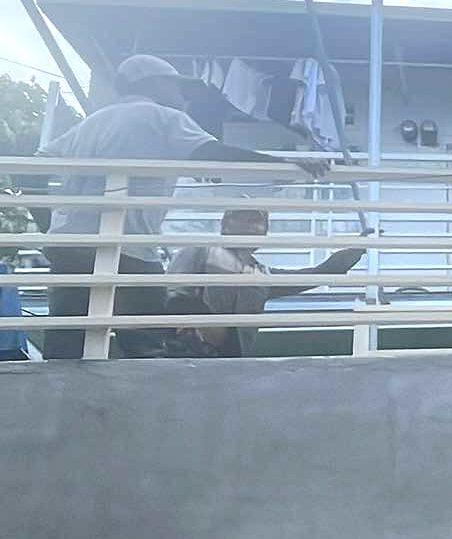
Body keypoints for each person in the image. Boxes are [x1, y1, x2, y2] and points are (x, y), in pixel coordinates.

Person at [42, 54, 328, 358]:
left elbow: (36, 166)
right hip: (130, 248)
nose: (182, 95)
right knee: (151, 341)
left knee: (65, 342)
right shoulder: (164, 117)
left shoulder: (92, 122)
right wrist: (283, 165)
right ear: (153, 83)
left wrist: (50, 224)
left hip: (70, 245)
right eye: (176, 85)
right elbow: (214, 152)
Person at [167, 209, 366, 356]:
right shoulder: (199, 251)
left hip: (228, 361)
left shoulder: (261, 275)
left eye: (255, 220)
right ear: (225, 225)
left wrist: (353, 252)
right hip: (184, 353)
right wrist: (202, 330)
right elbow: (174, 296)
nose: (248, 225)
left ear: (264, 232)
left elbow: (315, 274)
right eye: (240, 218)